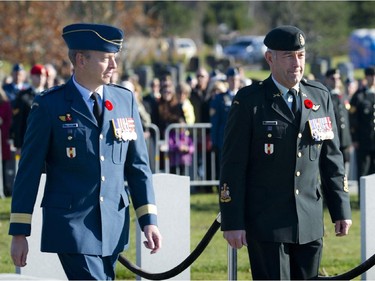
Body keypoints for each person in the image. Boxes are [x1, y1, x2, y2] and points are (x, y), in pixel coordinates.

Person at [9, 23, 162, 280]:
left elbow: (137, 167)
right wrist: (19, 232)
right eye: (105, 59)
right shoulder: (49, 105)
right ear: (80, 60)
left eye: (114, 58)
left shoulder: (125, 100)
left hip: (114, 224)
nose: (114, 66)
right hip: (72, 225)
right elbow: (29, 171)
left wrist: (149, 220)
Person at [219, 25, 352, 280]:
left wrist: (341, 209)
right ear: (270, 58)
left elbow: (331, 158)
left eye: (300, 55)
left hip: (309, 220)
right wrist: (232, 221)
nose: (297, 63)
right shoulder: (250, 101)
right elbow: (233, 165)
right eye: (289, 56)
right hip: (267, 222)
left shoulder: (319, 96)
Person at [11, 64, 48, 151]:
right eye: (38, 75)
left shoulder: (50, 95)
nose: (41, 78)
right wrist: (18, 144)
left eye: (43, 75)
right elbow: (18, 120)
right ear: (31, 76)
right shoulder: (23, 95)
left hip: (46, 141)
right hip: (28, 140)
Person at [349, 66, 375, 189]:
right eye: (372, 76)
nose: (374, 79)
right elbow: (352, 119)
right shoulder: (359, 96)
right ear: (367, 77)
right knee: (363, 171)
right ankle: (363, 200)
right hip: (363, 140)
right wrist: (354, 138)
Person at [323, 68, 352, 171]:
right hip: (332, 140)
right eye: (333, 78)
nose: (336, 81)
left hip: (344, 139)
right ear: (327, 79)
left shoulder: (342, 96)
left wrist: (349, 140)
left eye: (338, 78)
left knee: (345, 169)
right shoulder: (325, 95)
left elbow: (347, 119)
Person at [0, 87, 12, 196]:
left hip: (2, 140)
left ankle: (5, 189)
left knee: (3, 166)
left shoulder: (5, 103)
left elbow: (8, 121)